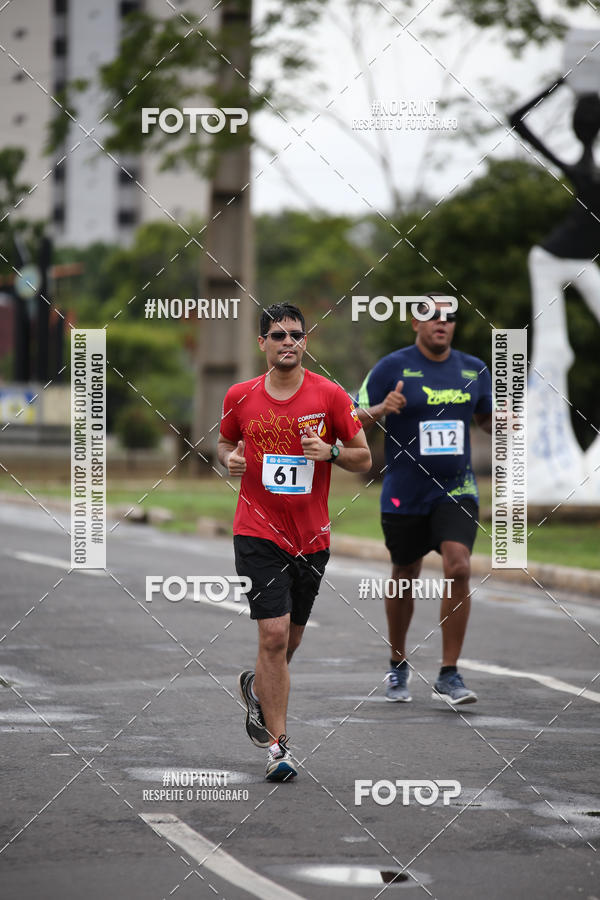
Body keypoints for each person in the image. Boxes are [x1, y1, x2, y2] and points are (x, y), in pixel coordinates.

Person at [217, 302, 371, 781]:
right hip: (257, 531)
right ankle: (279, 749)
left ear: (306, 342)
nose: (289, 342)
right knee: (274, 634)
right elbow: (224, 443)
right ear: (261, 343)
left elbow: (364, 458)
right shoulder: (240, 396)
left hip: (311, 538)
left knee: (290, 641)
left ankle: (258, 691)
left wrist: (333, 452)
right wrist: (230, 461)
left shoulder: (330, 396)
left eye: (296, 335)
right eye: (278, 335)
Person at [356, 297, 492, 705]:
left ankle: (449, 673)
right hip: (405, 490)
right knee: (405, 571)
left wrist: (500, 421)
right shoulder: (391, 366)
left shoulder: (473, 368)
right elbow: (350, 415)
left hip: (456, 488)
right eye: (434, 316)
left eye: (450, 318)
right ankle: (397, 664)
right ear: (415, 322)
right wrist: (383, 407)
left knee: (459, 566)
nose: (443, 323)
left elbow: (484, 416)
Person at [509, 80, 600, 502]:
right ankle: (547, 460)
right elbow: (517, 122)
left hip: (581, 262)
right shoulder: (582, 168)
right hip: (548, 259)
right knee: (552, 351)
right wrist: (558, 84)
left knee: (558, 351)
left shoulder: (587, 166)